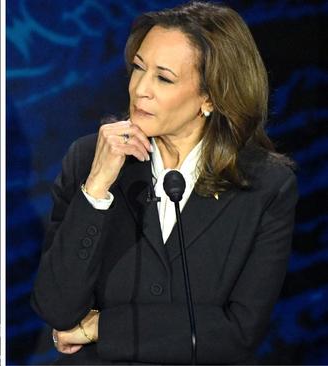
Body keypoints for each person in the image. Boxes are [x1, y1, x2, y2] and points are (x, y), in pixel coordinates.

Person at [31, 1, 297, 364]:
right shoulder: (88, 158)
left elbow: (238, 332)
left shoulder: (267, 184)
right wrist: (96, 189)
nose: (140, 89)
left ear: (210, 96)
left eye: (164, 78)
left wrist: (102, 327)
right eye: (138, 69)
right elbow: (56, 309)